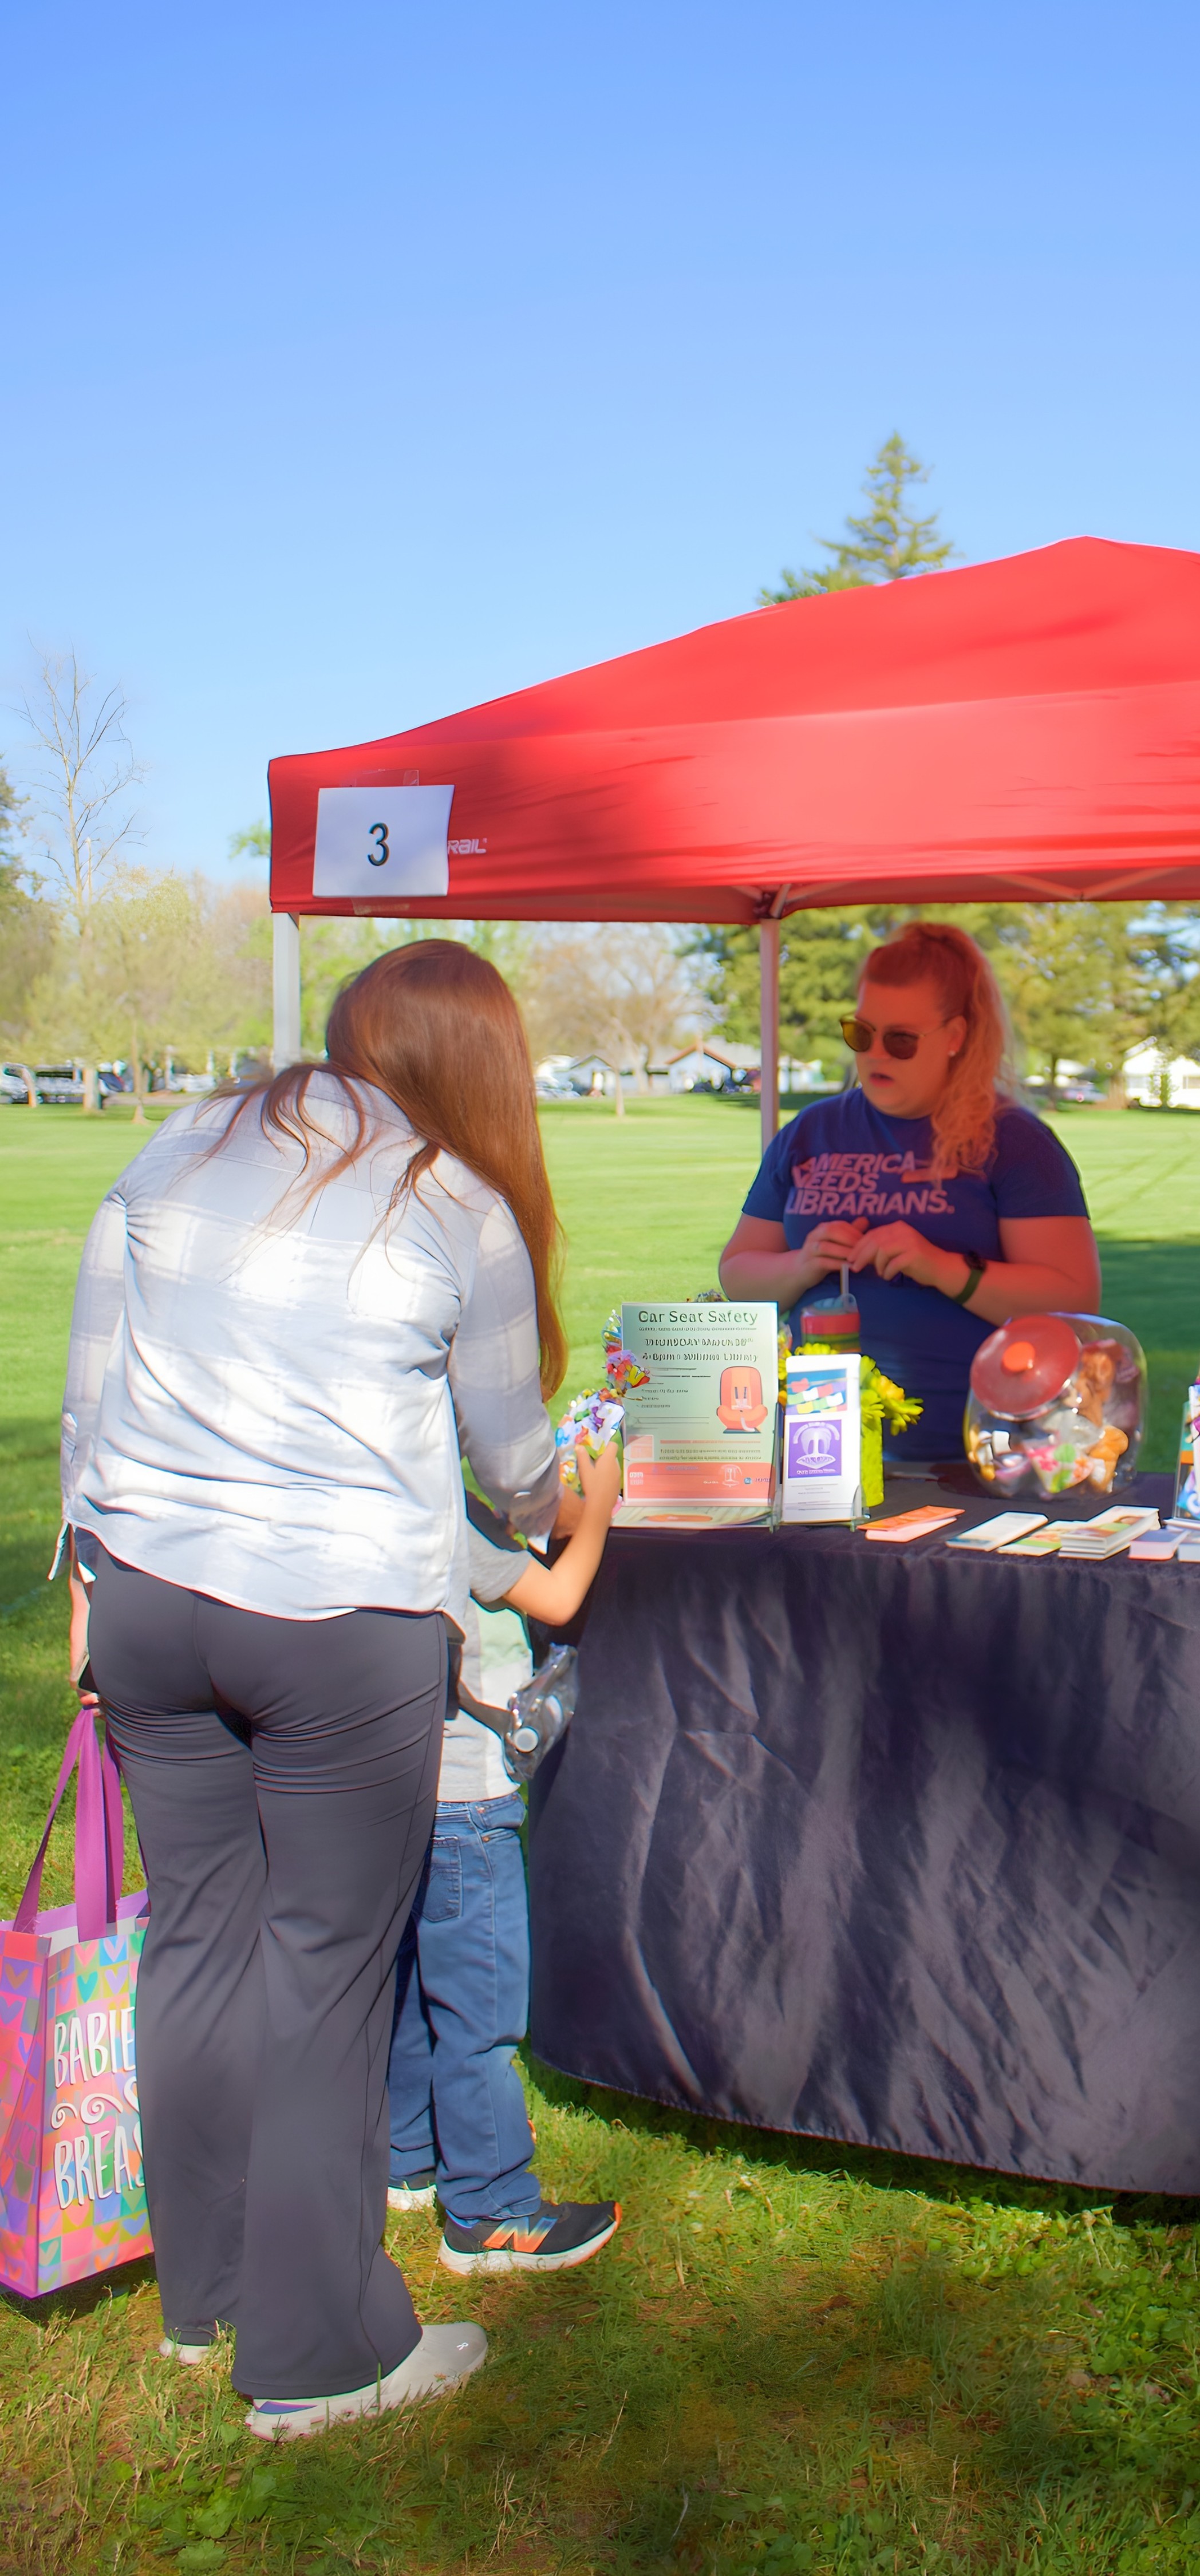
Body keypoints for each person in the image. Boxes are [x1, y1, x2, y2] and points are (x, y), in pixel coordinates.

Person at [61, 941, 573, 2438]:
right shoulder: (455, 1207)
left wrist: (92, 1576)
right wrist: (574, 1491)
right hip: (340, 1620)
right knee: (324, 1970)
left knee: (199, 1941)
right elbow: (514, 1472)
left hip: (149, 1595)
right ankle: (319, 2351)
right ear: (481, 1068)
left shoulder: (182, 1137)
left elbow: (95, 1385)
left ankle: (202, 2294)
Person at [719, 923, 1102, 1461]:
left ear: (955, 1036)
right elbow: (737, 1275)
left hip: (974, 1451)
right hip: (817, 1448)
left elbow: (1073, 1297)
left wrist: (942, 1267)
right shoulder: (810, 1132)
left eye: (900, 1039)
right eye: (861, 1033)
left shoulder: (1013, 1140)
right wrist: (802, 1264)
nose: (876, 1054)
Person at [386, 1457, 623, 2275]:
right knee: (479, 2014)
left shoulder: (369, 1490)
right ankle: (490, 2210)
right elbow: (556, 1598)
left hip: (391, 1790)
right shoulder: (447, 1507)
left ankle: (405, 2157)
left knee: (408, 1983)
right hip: (470, 1795)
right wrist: (601, 1506)